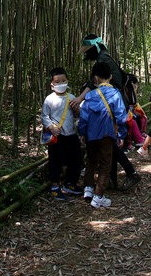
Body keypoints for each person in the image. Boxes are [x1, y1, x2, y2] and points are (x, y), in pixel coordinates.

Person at [72, 34, 141, 191]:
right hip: (111, 104)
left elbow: (93, 82)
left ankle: (131, 173)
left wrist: (80, 97)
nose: (87, 55)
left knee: (110, 144)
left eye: (88, 51)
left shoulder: (103, 59)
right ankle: (112, 179)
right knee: (110, 143)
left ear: (93, 49)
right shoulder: (104, 57)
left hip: (111, 105)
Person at [77, 60, 128, 208]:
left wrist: (83, 132)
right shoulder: (115, 94)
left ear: (95, 79)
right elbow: (121, 117)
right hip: (107, 135)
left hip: (91, 135)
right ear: (111, 77)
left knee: (91, 161)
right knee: (105, 166)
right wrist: (121, 135)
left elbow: (84, 117)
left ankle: (88, 189)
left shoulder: (90, 95)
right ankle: (98, 196)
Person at [40, 67, 83, 201]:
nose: (61, 83)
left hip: (70, 134)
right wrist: (52, 127)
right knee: (55, 160)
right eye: (57, 81)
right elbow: (44, 116)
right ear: (52, 85)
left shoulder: (72, 97)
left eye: (63, 80)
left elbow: (78, 115)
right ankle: (54, 187)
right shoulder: (49, 99)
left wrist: (76, 109)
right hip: (57, 136)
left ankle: (70, 183)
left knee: (76, 158)